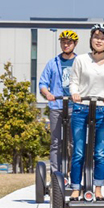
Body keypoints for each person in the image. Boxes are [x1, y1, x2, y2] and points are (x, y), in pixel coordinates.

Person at [68, 23, 104, 199]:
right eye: (96, 37)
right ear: (91, 39)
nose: (99, 41)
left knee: (99, 152)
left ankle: (98, 189)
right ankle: (76, 188)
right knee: (78, 152)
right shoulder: (81, 60)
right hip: (81, 108)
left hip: (102, 110)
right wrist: (75, 93)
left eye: (103, 38)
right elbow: (74, 81)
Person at [38, 29, 79, 180]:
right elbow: (42, 83)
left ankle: (75, 175)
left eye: (69, 42)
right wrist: (47, 94)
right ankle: (56, 176)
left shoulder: (80, 62)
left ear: (74, 44)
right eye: (63, 42)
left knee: (75, 143)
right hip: (57, 106)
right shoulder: (52, 63)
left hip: (75, 107)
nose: (66, 45)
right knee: (56, 143)